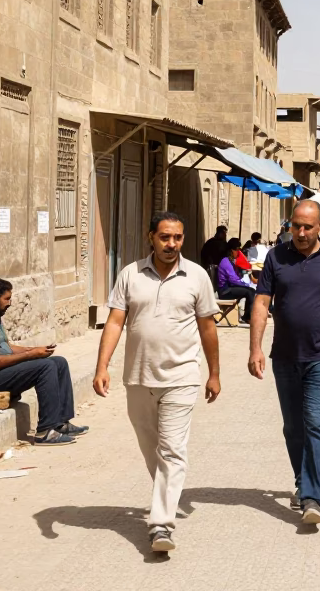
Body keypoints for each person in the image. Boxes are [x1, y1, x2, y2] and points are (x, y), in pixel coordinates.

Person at [93, 211, 221, 554]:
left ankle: (161, 523)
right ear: (151, 237)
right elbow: (115, 322)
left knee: (172, 450)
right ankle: (166, 493)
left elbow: (208, 327)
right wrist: (101, 366)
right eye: (165, 237)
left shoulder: (196, 276)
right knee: (152, 449)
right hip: (137, 377)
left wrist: (214, 372)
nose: (171, 244)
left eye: (177, 238)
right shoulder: (130, 275)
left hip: (181, 377)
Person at [248, 200, 320, 526]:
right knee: (293, 428)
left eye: (307, 226)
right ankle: (302, 479)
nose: (299, 232)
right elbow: (262, 303)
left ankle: (312, 497)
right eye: (295, 225)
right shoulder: (275, 257)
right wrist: (255, 348)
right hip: (284, 355)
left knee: (316, 422)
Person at [0, 277, 86, 446]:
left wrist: (35, 350)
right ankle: (45, 431)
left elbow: (7, 347)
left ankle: (61, 423)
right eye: (7, 298)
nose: (10, 303)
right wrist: (31, 356)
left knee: (58, 362)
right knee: (45, 367)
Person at [217, 238, 257, 324]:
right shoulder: (225, 262)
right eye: (237, 249)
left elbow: (235, 277)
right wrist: (245, 284)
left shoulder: (231, 261)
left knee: (251, 290)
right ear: (232, 250)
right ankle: (247, 317)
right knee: (250, 292)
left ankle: (247, 316)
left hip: (230, 288)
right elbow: (233, 280)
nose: (238, 252)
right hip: (225, 291)